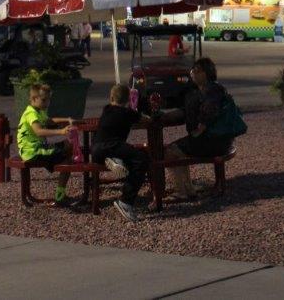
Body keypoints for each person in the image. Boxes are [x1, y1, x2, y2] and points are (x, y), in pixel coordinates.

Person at [164, 58, 237, 199]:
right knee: (177, 149)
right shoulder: (198, 91)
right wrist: (165, 115)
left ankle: (182, 190)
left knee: (169, 152)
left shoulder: (213, 90)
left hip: (214, 141)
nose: (192, 73)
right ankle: (188, 188)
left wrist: (199, 130)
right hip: (214, 139)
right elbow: (186, 110)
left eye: (197, 71)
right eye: (192, 70)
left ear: (206, 73)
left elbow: (209, 112)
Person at [90, 84, 151, 222]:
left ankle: (114, 159)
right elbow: (146, 120)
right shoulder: (127, 113)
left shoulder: (106, 109)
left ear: (111, 97)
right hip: (113, 145)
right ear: (128, 100)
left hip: (96, 149)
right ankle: (126, 201)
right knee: (142, 159)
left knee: (128, 155)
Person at [17, 83, 76, 205]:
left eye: (49, 99)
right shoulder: (31, 113)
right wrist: (61, 131)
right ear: (33, 99)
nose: (47, 103)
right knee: (67, 160)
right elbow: (39, 131)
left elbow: (49, 120)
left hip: (36, 147)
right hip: (32, 150)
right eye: (44, 100)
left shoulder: (39, 111)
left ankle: (58, 166)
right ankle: (60, 196)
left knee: (66, 145)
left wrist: (67, 119)